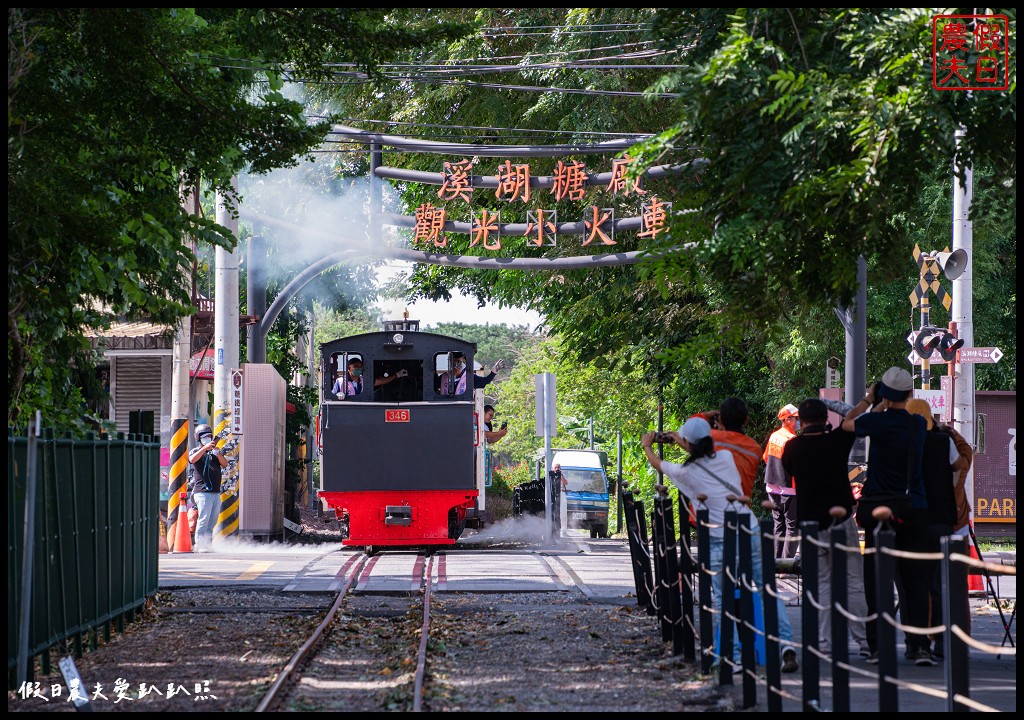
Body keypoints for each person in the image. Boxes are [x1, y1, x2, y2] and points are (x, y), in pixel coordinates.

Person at [642, 417, 799, 673]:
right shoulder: (725, 457)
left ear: (690, 443)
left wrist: (648, 444)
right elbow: (701, 450)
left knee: (723, 597)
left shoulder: (685, 473)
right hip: (748, 529)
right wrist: (683, 440)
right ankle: (785, 646)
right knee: (765, 590)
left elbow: (656, 462)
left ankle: (733, 657)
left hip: (719, 539)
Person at [840, 366, 933, 666]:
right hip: (912, 506)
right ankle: (919, 646)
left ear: (884, 394)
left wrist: (871, 400)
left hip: (875, 507)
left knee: (875, 577)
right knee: (915, 579)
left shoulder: (876, 422)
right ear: (910, 394)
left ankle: (877, 646)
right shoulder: (918, 424)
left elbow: (847, 424)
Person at [781, 398, 871, 658]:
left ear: (801, 422)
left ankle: (824, 643)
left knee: (820, 583)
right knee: (854, 581)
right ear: (826, 418)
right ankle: (864, 642)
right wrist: (836, 405)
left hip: (810, 526)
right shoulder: (838, 440)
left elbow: (789, 471)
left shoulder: (793, 447)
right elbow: (855, 416)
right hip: (842, 521)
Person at [906, 398, 964, 657]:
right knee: (939, 582)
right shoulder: (943, 440)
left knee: (910, 582)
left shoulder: (903, 440)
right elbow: (958, 465)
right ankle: (940, 640)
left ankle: (914, 642)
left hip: (910, 518)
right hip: (940, 515)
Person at [763, 404, 800, 559]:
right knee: (792, 527)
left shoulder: (774, 436)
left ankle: (777, 564)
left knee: (779, 526)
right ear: (787, 419)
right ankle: (787, 566)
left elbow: (766, 458)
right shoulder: (791, 440)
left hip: (772, 487)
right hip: (789, 489)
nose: (799, 421)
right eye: (796, 418)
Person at [709, 397, 762, 500]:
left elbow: (690, 430)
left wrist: (704, 416)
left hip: (709, 510)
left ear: (720, 419)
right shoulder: (755, 449)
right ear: (746, 420)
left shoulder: (709, 438)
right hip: (740, 510)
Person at [188, 423, 227, 552]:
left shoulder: (214, 453)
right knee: (203, 520)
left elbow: (225, 464)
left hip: (215, 492)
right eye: (204, 437)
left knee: (212, 521)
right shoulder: (196, 451)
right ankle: (199, 545)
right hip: (202, 492)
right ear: (198, 438)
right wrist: (204, 449)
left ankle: (207, 545)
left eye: (210, 436)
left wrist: (217, 453)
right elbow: (192, 459)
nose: (208, 439)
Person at [332, 357, 406, 399]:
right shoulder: (340, 381)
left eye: (360, 366)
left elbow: (382, 381)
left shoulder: (364, 380)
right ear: (349, 368)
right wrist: (338, 394)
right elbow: (332, 396)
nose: (359, 368)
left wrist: (397, 375)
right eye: (355, 366)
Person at [439, 353, 505, 395]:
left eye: (458, 362)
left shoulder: (470, 377)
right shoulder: (443, 377)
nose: (456, 364)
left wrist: (493, 372)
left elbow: (486, 380)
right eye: (453, 362)